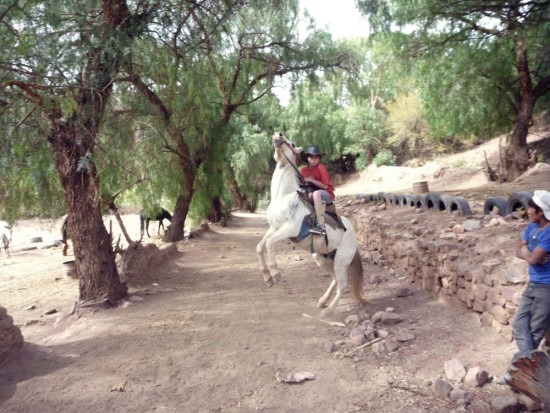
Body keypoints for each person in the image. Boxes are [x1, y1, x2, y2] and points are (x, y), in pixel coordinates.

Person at [496, 190, 550, 384]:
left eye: (530, 209)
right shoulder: (531, 227)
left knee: (534, 332)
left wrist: (528, 254)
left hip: (546, 288)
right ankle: (526, 371)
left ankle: (515, 374)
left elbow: (532, 257)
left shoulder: (549, 232)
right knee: (519, 323)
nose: (527, 211)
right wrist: (530, 254)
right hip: (533, 284)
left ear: (540, 212)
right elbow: (519, 251)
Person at [299, 145, 335, 236]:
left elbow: (325, 186)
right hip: (311, 193)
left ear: (319, 158)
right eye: (311, 157)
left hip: (326, 194)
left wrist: (311, 180)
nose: (313, 159)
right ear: (307, 158)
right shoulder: (303, 170)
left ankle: (321, 226)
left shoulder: (321, 168)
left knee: (316, 194)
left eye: (316, 157)